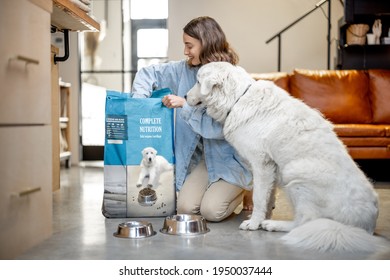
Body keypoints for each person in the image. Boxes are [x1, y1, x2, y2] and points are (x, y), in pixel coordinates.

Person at [132, 16, 253, 222]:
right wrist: (139, 105)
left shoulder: (232, 77)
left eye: (190, 46)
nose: (186, 51)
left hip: (231, 159)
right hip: (204, 160)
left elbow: (218, 129)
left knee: (211, 212)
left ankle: (247, 187)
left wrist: (184, 105)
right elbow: (147, 73)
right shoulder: (183, 69)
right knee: (186, 209)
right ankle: (219, 191)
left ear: (206, 43)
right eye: (185, 45)